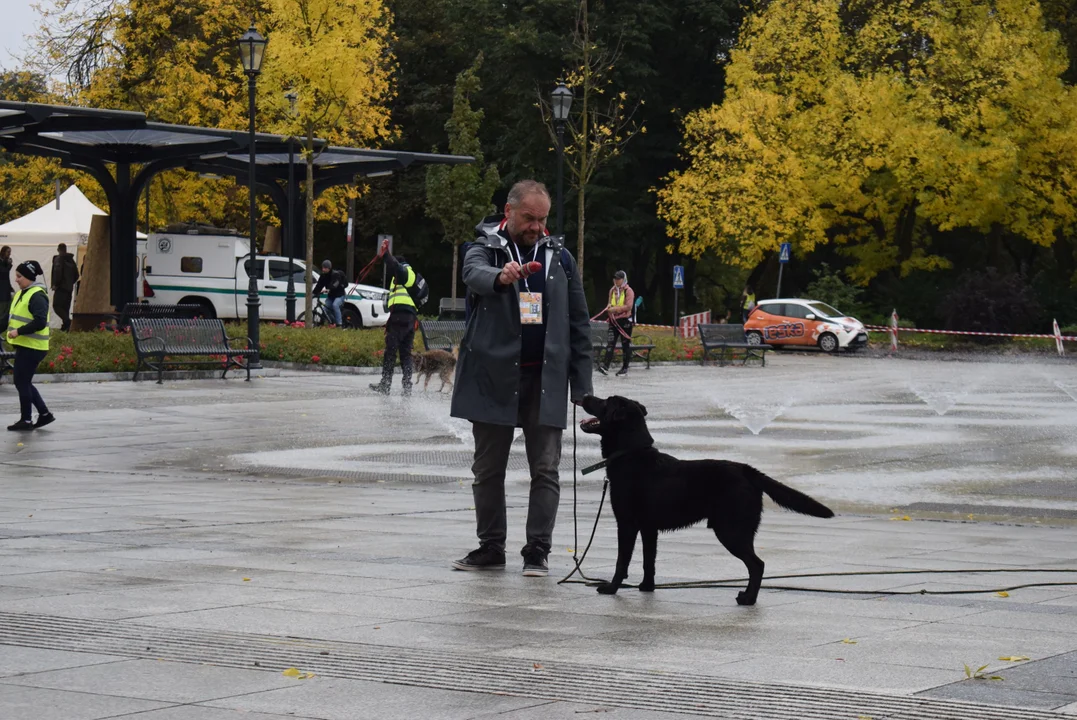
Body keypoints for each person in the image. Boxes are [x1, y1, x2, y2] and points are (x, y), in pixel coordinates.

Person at [450, 180, 593, 577]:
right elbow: (475, 274)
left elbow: (578, 323)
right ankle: (491, 547)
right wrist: (502, 276)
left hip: (543, 380)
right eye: (529, 218)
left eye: (542, 219)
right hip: (493, 379)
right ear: (509, 211)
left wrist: (582, 388)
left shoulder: (559, 256)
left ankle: (537, 551)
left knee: (545, 469)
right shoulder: (484, 247)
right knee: (488, 470)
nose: (536, 226)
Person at [6, 260, 55, 431]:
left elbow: (40, 322)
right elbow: (9, 318)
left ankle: (27, 420)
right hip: (26, 346)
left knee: (21, 381)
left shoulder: (37, 295)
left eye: (19, 276)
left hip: (33, 347)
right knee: (23, 381)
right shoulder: (23, 293)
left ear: (28, 276)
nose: (16, 280)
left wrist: (18, 332)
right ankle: (44, 414)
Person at [369, 243, 419, 396]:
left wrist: (385, 255)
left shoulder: (405, 272)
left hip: (400, 317)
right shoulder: (411, 276)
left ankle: (385, 385)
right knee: (405, 354)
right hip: (409, 319)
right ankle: (407, 386)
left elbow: (395, 266)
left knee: (390, 352)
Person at [597, 270, 635, 377]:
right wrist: (609, 307)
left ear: (623, 279)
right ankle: (605, 366)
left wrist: (615, 310)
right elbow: (610, 302)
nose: (616, 281)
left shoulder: (629, 291)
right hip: (613, 320)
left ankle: (625, 368)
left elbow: (628, 306)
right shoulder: (612, 290)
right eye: (615, 278)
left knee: (625, 345)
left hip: (625, 321)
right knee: (610, 343)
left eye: (618, 279)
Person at [51, 243, 79, 332]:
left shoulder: (59, 259)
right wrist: (70, 283)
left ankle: (67, 322)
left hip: (61, 288)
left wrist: (56, 284)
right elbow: (77, 275)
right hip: (69, 289)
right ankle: (66, 327)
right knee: (65, 308)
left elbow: (58, 273)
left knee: (57, 306)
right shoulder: (71, 260)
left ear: (58, 249)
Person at [312, 259, 346, 326]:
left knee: (335, 305)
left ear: (329, 268)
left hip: (340, 295)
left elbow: (335, 284)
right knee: (325, 310)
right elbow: (319, 285)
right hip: (331, 296)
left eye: (325, 268)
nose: (323, 269)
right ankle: (333, 322)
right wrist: (314, 293)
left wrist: (329, 289)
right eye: (323, 267)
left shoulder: (335, 274)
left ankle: (339, 324)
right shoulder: (323, 276)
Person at [0, 246, 13, 327]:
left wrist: (10, 287)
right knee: (2, 311)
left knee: (6, 310)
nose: (9, 254)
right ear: (3, 252)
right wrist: (9, 265)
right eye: (8, 252)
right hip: (1, 291)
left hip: (5, 289)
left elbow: (6, 277)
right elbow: (3, 272)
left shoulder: (4, 262)